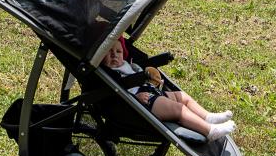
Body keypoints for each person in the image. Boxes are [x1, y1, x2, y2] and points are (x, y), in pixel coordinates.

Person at [101, 39, 235, 141]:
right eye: (108, 52)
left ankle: (208, 117)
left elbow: (146, 73)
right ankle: (210, 131)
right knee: (178, 110)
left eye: (118, 52)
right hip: (144, 101)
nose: (114, 55)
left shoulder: (130, 65)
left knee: (182, 97)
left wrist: (155, 81)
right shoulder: (109, 74)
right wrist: (135, 98)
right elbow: (118, 91)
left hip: (153, 91)